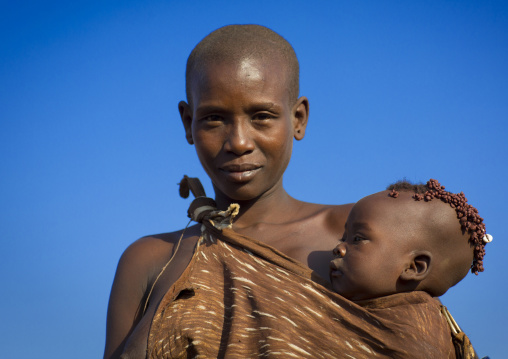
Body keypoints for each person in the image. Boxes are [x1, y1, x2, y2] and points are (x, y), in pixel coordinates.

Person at [104, 25, 352, 359]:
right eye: (214, 119)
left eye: (262, 116)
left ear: (298, 119)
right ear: (187, 123)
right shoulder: (150, 259)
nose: (238, 142)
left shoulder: (355, 233)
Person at [330, 179, 491, 358]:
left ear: (414, 267)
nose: (339, 248)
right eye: (342, 238)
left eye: (357, 239)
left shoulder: (414, 339)